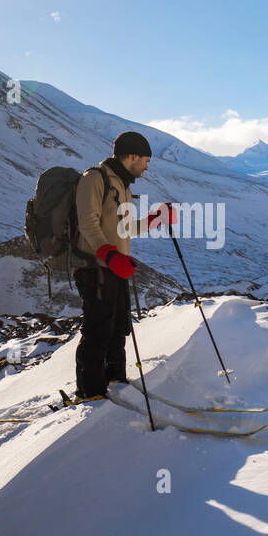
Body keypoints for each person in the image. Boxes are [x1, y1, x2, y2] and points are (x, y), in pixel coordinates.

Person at [72, 131, 175, 400]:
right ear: (132, 157)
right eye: (145, 160)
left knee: (118, 325)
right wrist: (109, 255)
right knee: (97, 328)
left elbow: (125, 228)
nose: (147, 166)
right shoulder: (94, 178)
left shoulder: (123, 185)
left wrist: (155, 219)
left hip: (116, 267)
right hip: (95, 268)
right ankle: (90, 392)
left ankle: (115, 378)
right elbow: (88, 223)